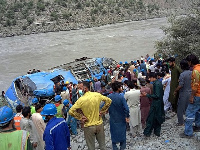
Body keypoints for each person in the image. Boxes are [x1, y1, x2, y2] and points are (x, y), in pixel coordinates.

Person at [69, 81, 112, 150]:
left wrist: (80, 117)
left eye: (80, 88)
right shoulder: (97, 95)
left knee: (91, 147)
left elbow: (71, 111)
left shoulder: (81, 100)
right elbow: (109, 101)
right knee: (103, 146)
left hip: (88, 126)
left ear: (85, 88)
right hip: (99, 124)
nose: (79, 90)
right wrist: (102, 111)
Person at [180, 55, 200, 138]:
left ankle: (188, 132)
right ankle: (198, 126)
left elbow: (195, 85)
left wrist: (192, 96)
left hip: (197, 94)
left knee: (189, 113)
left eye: (188, 61)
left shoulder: (195, 71)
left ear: (190, 61)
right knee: (198, 111)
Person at [141, 72, 165, 137]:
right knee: (157, 117)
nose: (149, 79)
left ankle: (147, 132)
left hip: (156, 103)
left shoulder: (156, 84)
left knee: (151, 118)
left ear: (152, 77)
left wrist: (147, 95)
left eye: (150, 78)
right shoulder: (159, 83)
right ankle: (157, 132)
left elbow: (156, 95)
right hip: (159, 102)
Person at [108, 81, 130, 150]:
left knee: (113, 133)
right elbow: (126, 108)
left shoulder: (109, 97)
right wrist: (127, 116)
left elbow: (103, 107)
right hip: (121, 118)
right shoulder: (121, 97)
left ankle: (115, 147)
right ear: (118, 88)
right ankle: (122, 147)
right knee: (122, 134)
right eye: (121, 87)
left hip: (113, 118)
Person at [174, 59, 192, 126]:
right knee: (189, 108)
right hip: (191, 92)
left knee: (180, 108)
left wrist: (175, 91)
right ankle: (189, 120)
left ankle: (181, 122)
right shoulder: (192, 72)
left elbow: (180, 85)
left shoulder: (182, 74)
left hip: (184, 93)